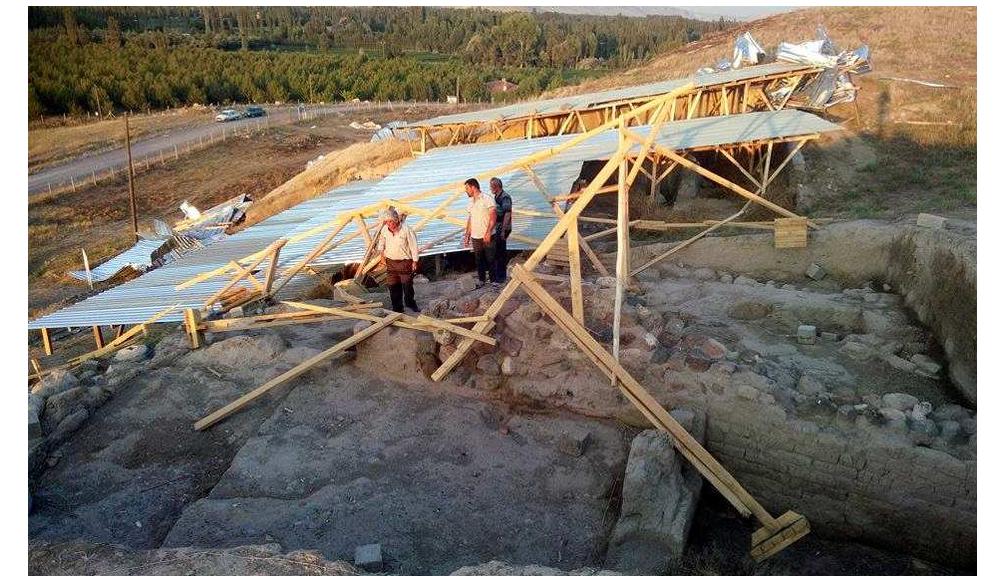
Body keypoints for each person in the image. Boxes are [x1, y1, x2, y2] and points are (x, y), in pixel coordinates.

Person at [376, 207, 420, 313]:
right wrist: (382, 255)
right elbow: (381, 242)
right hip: (391, 262)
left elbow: (413, 246)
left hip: (405, 262)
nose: (389, 224)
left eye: (391, 221)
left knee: (407, 286)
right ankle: (397, 308)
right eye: (387, 222)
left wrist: (415, 261)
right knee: (393, 286)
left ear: (396, 220)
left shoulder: (406, 230)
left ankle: (410, 304)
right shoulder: (385, 230)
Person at [462, 178, 496, 288]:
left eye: (467, 188)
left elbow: (493, 217)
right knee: (479, 259)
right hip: (475, 235)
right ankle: (482, 280)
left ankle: (494, 281)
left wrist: (488, 232)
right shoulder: (470, 202)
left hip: (487, 234)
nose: (466, 191)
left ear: (473, 187)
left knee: (490, 258)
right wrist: (467, 235)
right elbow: (470, 219)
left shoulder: (487, 199)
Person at [489, 177, 513, 284]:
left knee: (500, 252)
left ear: (496, 186)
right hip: (498, 227)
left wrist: (503, 230)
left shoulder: (505, 197)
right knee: (497, 252)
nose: (490, 188)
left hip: (502, 227)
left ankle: (501, 277)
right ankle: (498, 275)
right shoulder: (497, 196)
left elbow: (507, 213)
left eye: (491, 186)